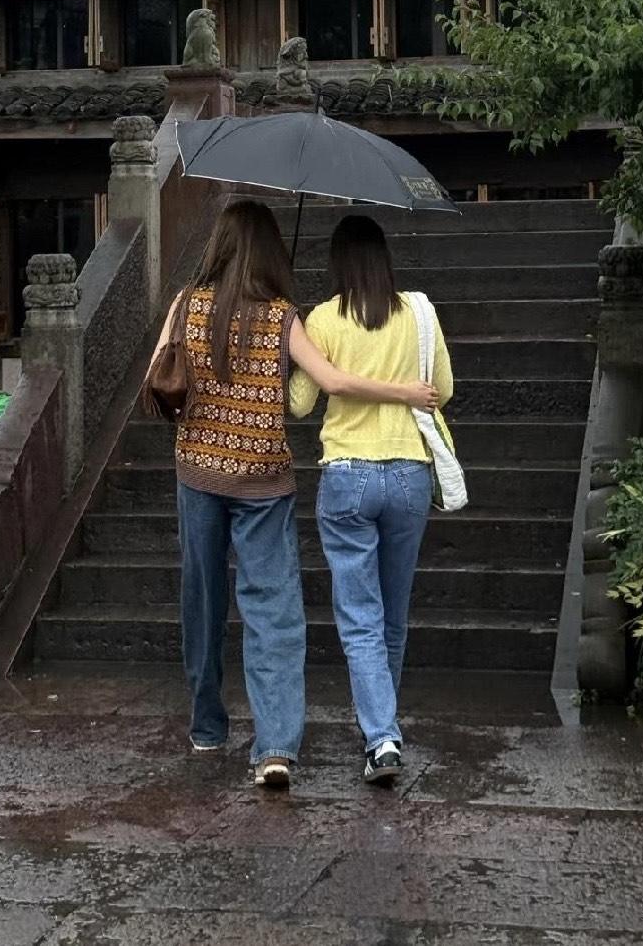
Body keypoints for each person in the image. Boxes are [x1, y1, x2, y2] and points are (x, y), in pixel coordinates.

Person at [148, 199, 439, 792]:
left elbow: (158, 369)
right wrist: (403, 391)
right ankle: (275, 746)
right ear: (269, 253)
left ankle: (207, 726)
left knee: (200, 597)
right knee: (273, 613)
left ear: (220, 247)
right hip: (262, 480)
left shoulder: (184, 304)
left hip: (197, 472)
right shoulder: (283, 317)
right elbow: (328, 384)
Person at [289, 213, 454, 785]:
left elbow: (302, 404)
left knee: (360, 616)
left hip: (348, 474)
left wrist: (299, 356)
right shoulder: (419, 313)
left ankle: (381, 738)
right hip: (410, 470)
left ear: (338, 261)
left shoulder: (324, 318)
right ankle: (381, 731)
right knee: (393, 613)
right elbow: (444, 391)